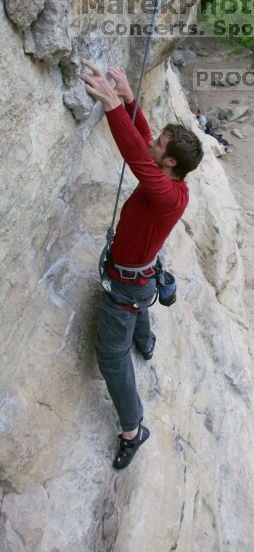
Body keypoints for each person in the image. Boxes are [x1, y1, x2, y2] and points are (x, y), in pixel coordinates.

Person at [80, 60, 203, 469]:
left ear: (169, 163)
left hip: (128, 286)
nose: (153, 144)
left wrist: (114, 107)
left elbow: (138, 154)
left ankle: (133, 429)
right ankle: (146, 343)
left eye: (161, 148)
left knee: (111, 358)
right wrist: (131, 103)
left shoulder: (165, 194)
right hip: (141, 277)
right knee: (140, 302)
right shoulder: (171, 183)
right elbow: (147, 142)